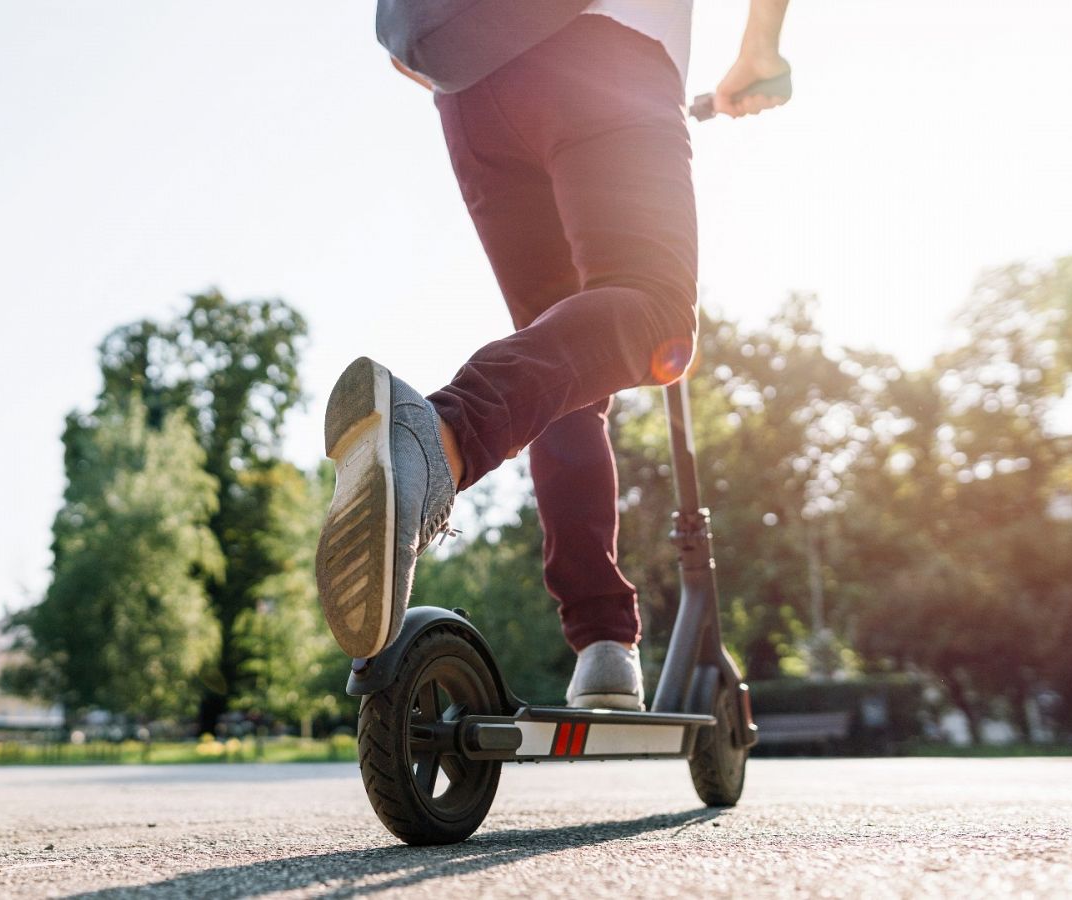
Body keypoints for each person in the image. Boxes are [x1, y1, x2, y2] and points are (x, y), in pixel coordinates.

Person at [316, 0, 793, 711]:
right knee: (655, 311)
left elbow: (402, 51)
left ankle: (605, 643)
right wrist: (759, 49)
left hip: (468, 95)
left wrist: (499, 64)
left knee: (564, 358)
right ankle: (439, 436)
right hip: (609, 57)